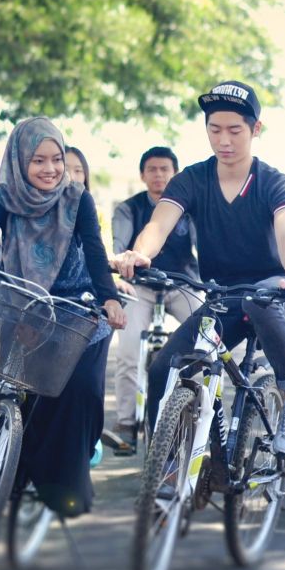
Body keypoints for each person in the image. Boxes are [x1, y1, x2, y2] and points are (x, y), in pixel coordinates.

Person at [115, 83, 285, 463]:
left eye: (234, 130)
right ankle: (165, 465)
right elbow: (159, 224)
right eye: (214, 129)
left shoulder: (273, 182)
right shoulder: (192, 179)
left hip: (276, 293)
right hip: (223, 297)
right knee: (164, 369)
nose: (223, 140)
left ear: (255, 130)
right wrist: (138, 254)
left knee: (260, 299)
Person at [0, 117, 127, 516]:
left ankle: (62, 485)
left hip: (76, 308)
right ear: (19, 161)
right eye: (38, 160)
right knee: (10, 391)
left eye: (56, 159)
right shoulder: (3, 196)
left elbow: (95, 251)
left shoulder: (78, 199)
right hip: (24, 302)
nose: (50, 169)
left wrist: (109, 299)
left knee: (76, 392)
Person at [107, 146, 199, 452]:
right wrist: (119, 262)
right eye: (153, 170)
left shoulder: (189, 207)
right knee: (128, 350)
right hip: (140, 288)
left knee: (209, 340)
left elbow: (204, 245)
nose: (159, 175)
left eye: (165, 169)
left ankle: (198, 411)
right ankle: (127, 423)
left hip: (181, 285)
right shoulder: (128, 208)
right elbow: (120, 245)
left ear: (174, 173)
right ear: (142, 175)